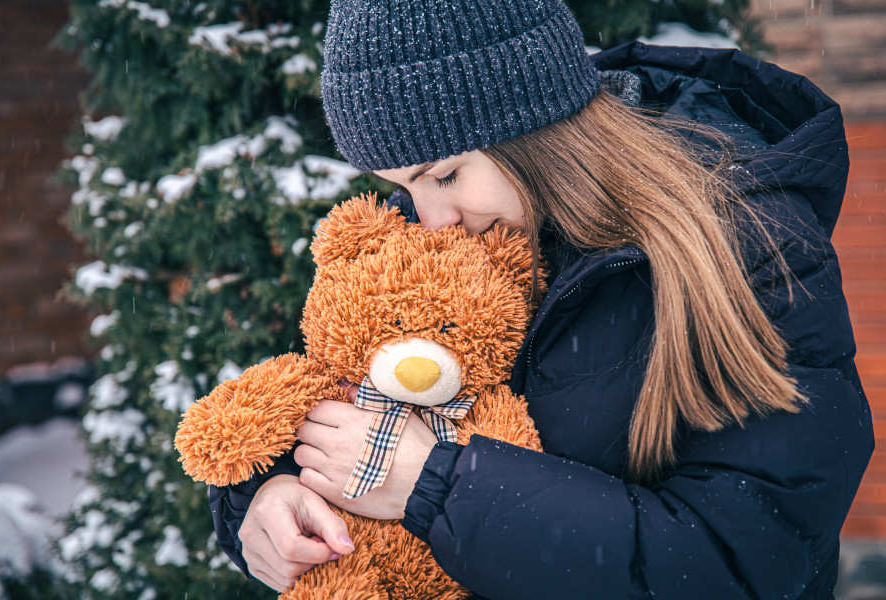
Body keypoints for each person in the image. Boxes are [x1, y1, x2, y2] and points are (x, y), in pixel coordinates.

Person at [208, 1, 874, 597]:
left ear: (533, 126)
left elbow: (744, 561)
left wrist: (436, 484)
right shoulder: (438, 237)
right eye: (407, 189)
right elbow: (328, 399)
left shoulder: (752, 245)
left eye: (444, 174)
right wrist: (262, 500)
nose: (431, 220)